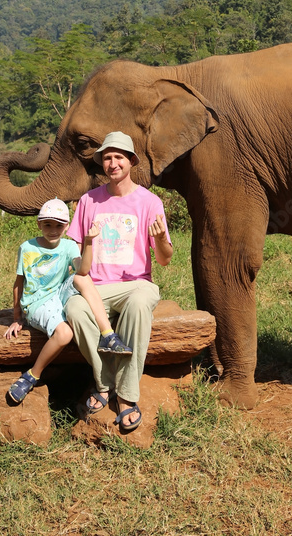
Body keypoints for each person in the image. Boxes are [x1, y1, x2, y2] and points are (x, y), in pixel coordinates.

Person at [66, 131, 173, 433]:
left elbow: (164, 259)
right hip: (96, 287)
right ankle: (105, 382)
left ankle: (126, 395)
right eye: (107, 158)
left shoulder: (149, 202)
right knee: (74, 309)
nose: (112, 163)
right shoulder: (88, 201)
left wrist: (160, 239)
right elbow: (74, 249)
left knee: (139, 303)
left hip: (136, 284)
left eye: (119, 157)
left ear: (131, 162)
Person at [4, 197, 132, 404]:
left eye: (58, 225)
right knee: (65, 333)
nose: (53, 230)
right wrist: (17, 317)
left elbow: (83, 270)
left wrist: (88, 242)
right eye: (47, 224)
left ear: (66, 226)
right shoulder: (27, 248)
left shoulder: (69, 246)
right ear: (39, 224)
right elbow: (19, 283)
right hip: (37, 302)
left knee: (82, 278)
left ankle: (108, 334)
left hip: (59, 293)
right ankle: (32, 375)